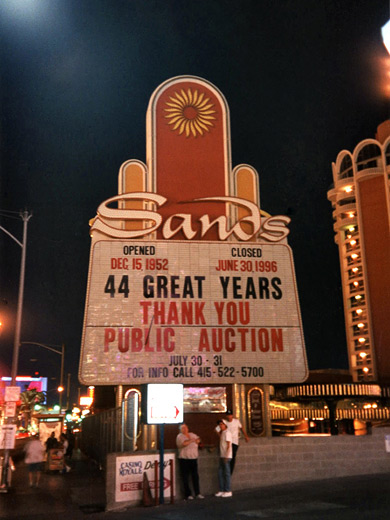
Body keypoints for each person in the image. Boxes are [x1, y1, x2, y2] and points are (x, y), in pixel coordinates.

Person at [176, 423, 204, 500]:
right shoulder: (179, 436)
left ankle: (197, 493)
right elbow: (184, 443)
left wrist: (195, 440)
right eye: (182, 428)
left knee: (195, 476)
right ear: (180, 430)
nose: (184, 429)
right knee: (185, 477)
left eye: (185, 427)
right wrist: (192, 440)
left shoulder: (192, 434)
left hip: (193, 458)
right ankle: (188, 494)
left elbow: (199, 440)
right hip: (184, 459)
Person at [223, 409, 249, 475]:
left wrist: (246, 436)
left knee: (233, 455)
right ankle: (227, 470)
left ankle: (230, 471)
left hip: (235, 441)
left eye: (230, 415)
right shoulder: (225, 422)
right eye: (228, 415)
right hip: (228, 441)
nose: (229, 417)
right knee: (228, 456)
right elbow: (217, 428)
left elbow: (241, 428)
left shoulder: (236, 421)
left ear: (232, 415)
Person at [215, 420, 232, 498]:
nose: (220, 426)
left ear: (225, 425)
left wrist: (227, 455)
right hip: (222, 455)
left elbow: (229, 445)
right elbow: (217, 432)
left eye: (222, 424)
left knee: (226, 473)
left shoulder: (227, 433)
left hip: (226, 456)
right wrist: (217, 429)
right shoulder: (223, 433)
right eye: (220, 424)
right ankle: (222, 490)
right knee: (220, 473)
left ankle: (228, 490)